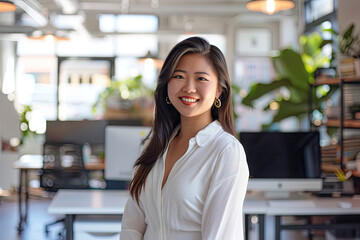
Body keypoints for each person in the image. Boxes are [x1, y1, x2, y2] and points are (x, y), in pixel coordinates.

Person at [120, 36, 249, 240]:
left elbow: (220, 236)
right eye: (179, 76)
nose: (188, 88)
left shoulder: (226, 151)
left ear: (219, 91)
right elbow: (132, 225)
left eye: (201, 78)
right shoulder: (153, 145)